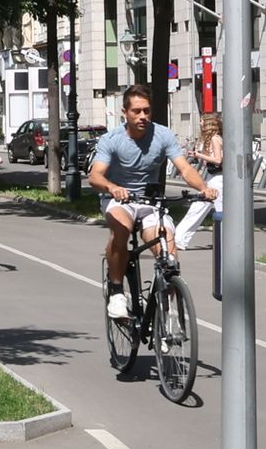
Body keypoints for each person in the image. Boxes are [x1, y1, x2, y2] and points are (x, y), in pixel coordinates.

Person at [86, 85, 211, 319]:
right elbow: (95, 176)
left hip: (151, 202)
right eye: (136, 111)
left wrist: (204, 189)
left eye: (146, 111)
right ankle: (115, 291)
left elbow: (184, 168)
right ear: (125, 113)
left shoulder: (163, 135)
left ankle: (164, 304)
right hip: (119, 200)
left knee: (168, 250)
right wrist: (113, 188)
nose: (143, 116)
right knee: (121, 230)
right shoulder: (111, 140)